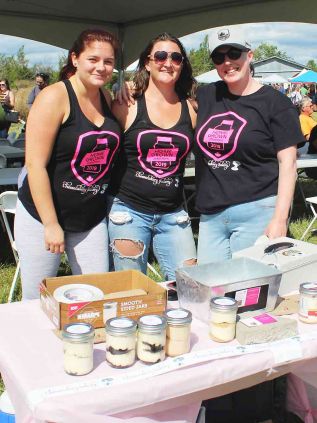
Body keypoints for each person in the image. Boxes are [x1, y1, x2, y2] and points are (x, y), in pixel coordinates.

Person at [15, 28, 121, 300]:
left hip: (90, 218)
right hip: (42, 216)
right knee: (37, 300)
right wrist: (51, 224)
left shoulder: (106, 98)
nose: (101, 67)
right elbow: (35, 165)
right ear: (75, 58)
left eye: (108, 62)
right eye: (93, 59)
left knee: (96, 296)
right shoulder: (54, 97)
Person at [194, 26, 304, 265]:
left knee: (251, 292)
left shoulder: (277, 103)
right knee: (212, 288)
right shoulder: (206, 95)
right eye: (219, 57)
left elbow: (289, 164)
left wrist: (280, 218)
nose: (227, 62)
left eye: (234, 53)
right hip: (211, 212)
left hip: (257, 209)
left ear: (250, 55)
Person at [108, 32, 197, 280]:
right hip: (129, 211)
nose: (167, 62)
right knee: (132, 290)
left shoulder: (190, 107)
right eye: (160, 55)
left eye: (176, 57)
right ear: (147, 62)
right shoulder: (127, 103)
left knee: (189, 285)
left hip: (174, 213)